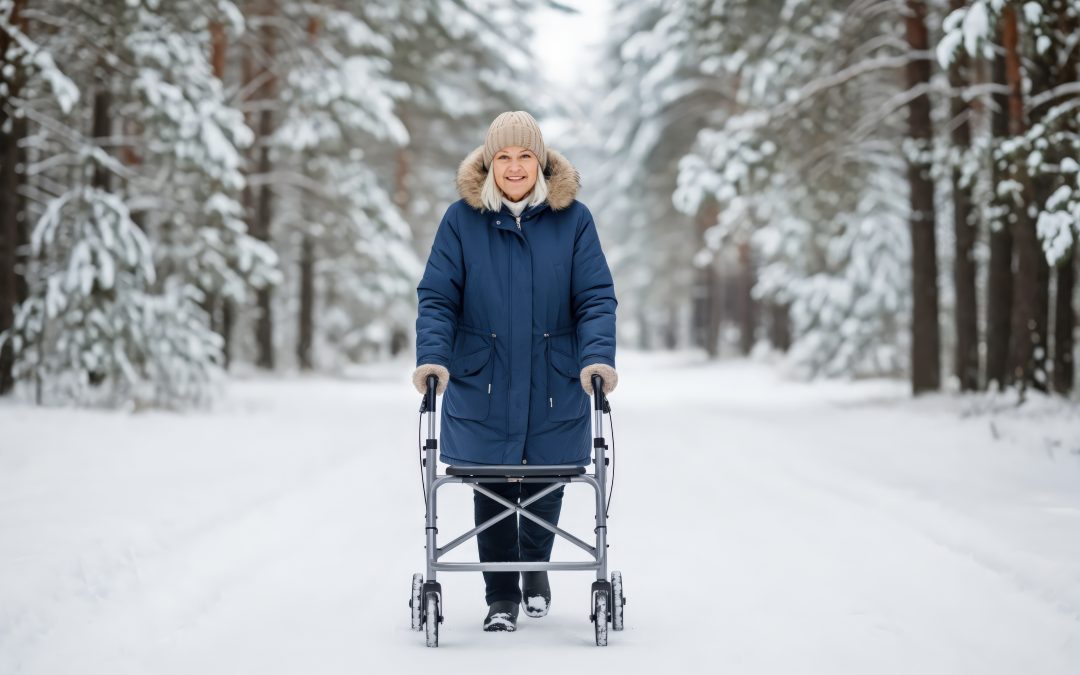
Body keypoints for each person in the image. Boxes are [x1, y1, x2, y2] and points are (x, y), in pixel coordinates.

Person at [412, 111, 618, 633]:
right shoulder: (462, 220)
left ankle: (534, 571)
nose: (515, 166)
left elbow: (595, 298)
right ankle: (501, 592)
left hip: (554, 378)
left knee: (547, 480)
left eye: (525, 155)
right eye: (503, 156)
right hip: (483, 377)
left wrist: (597, 358)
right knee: (493, 483)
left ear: (542, 162)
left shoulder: (575, 220)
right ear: (488, 163)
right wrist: (432, 358)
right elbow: (438, 298)